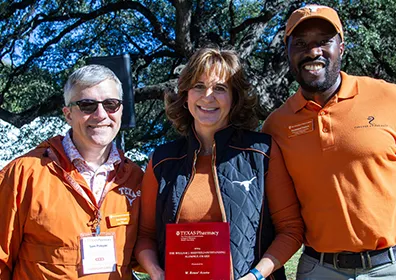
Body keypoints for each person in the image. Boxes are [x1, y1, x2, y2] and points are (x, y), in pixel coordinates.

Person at [262, 4, 396, 280]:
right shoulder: (276, 126)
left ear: (341, 48)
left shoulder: (391, 99)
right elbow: (284, 219)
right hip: (320, 270)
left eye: (324, 42)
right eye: (300, 43)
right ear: (287, 52)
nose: (313, 51)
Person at [134, 47, 304, 280]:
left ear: (235, 98)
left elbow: (290, 230)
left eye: (220, 88)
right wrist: (156, 272)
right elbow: (145, 236)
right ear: (185, 95)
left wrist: (256, 275)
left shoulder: (261, 152)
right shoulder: (162, 160)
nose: (208, 96)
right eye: (199, 86)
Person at [0, 65, 144, 279]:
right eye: (87, 105)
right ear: (67, 114)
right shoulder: (24, 173)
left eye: (111, 104)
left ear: (121, 110)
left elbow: (143, 252)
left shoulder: (135, 178)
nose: (101, 114)